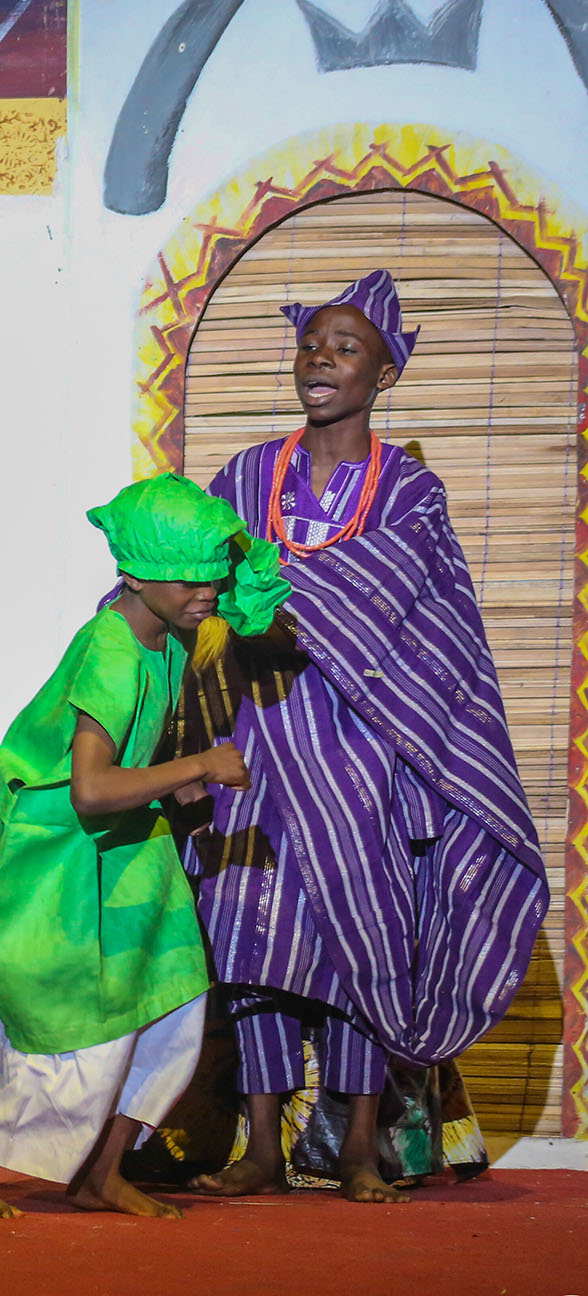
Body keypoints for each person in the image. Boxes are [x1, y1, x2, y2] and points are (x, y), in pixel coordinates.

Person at [175, 271, 549, 1203]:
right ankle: (262, 1150)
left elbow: (420, 616)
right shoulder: (246, 477)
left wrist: (286, 599)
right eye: (312, 344)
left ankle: (355, 1152)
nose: (321, 360)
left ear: (384, 375)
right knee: (252, 939)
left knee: (361, 940)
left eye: (346, 349)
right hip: (255, 741)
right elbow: (187, 573)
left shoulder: (412, 491)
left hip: (362, 747)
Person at [0, 472, 286, 1219]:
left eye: (213, 577)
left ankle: (101, 1171)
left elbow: (120, 764)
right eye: (187, 579)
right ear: (135, 576)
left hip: (124, 844)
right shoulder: (113, 651)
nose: (207, 592)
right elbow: (88, 789)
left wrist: (169, 787)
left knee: (171, 1004)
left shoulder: (165, 641)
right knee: (76, 1030)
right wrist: (197, 766)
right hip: (65, 858)